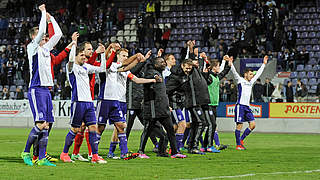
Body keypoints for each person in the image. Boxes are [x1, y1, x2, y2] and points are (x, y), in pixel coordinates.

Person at [97, 48, 157, 159]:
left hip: (123, 101)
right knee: (116, 127)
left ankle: (118, 152)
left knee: (120, 127)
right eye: (124, 55)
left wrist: (152, 80)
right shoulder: (114, 67)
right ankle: (110, 151)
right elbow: (125, 66)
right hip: (114, 99)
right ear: (118, 56)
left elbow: (137, 79)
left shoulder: (125, 71)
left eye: (126, 55)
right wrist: (138, 59)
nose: (125, 57)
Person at [21, 4, 62, 166]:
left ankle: (41, 158)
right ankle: (25, 152)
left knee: (46, 125)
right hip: (36, 89)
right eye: (41, 36)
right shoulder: (32, 48)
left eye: (45, 37)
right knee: (40, 123)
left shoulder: (46, 49)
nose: (44, 38)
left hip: (46, 89)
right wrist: (43, 12)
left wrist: (51, 18)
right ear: (33, 37)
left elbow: (58, 34)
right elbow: (43, 32)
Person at [60, 32, 106, 164]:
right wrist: (74, 43)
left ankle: (95, 156)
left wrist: (102, 54)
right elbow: (70, 60)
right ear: (76, 56)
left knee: (93, 128)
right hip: (78, 102)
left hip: (89, 102)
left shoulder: (86, 67)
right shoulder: (71, 67)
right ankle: (64, 153)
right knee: (75, 129)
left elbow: (102, 68)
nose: (84, 58)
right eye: (81, 56)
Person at [139, 57, 186, 158]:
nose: (164, 63)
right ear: (155, 65)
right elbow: (152, 75)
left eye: (164, 62)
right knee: (147, 130)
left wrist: (167, 105)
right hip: (153, 108)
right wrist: (155, 77)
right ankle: (141, 152)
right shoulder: (151, 72)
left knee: (170, 130)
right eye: (161, 62)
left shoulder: (161, 74)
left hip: (163, 108)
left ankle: (174, 152)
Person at [229, 56, 268, 150]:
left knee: (253, 125)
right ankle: (238, 145)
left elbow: (258, 74)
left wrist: (264, 64)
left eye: (252, 74)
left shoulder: (251, 82)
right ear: (245, 74)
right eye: (250, 74)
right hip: (240, 106)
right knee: (239, 125)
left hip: (247, 107)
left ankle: (241, 140)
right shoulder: (240, 80)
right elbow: (234, 72)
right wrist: (231, 64)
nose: (252, 76)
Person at [202, 56, 231, 152]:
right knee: (212, 124)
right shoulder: (209, 77)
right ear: (214, 67)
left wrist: (229, 65)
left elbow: (223, 73)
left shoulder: (216, 77)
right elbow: (205, 76)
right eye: (218, 66)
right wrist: (205, 62)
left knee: (212, 125)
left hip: (214, 104)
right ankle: (210, 146)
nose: (219, 68)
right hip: (208, 104)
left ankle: (204, 146)